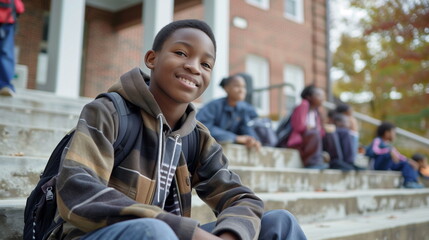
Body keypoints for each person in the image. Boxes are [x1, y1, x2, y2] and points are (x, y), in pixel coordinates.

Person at [52, 19, 307, 240]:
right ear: (152, 59)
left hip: (167, 234)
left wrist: (229, 235)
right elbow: (77, 189)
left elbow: (241, 199)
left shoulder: (197, 136)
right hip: (98, 234)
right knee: (156, 232)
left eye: (206, 64)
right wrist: (188, 231)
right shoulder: (109, 112)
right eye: (182, 53)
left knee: (280, 223)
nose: (194, 67)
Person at [196, 73, 261, 150]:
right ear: (226, 88)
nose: (241, 90)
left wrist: (252, 139)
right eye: (237, 86)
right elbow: (202, 127)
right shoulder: (214, 106)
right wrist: (235, 138)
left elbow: (246, 128)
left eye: (243, 87)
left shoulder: (243, 109)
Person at [366, 122, 423, 189]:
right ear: (387, 133)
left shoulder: (389, 145)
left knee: (407, 164)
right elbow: (374, 151)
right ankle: (410, 182)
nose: (395, 135)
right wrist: (388, 151)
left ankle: (410, 182)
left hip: (389, 165)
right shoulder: (377, 140)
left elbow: (399, 156)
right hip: (378, 165)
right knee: (389, 154)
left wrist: (409, 161)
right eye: (393, 132)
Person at [283, 85, 328, 169]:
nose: (322, 99)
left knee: (333, 134)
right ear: (309, 97)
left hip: (311, 139)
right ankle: (312, 163)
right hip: (298, 140)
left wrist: (324, 130)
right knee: (314, 133)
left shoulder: (315, 111)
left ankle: (338, 162)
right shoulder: (303, 105)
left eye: (323, 96)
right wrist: (312, 128)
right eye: (319, 95)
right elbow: (298, 127)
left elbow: (320, 131)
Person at [0, 0, 24, 96]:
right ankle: (5, 85)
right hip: (7, 24)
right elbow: (20, 8)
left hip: (6, 24)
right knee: (6, 54)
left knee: (5, 54)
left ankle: (5, 85)